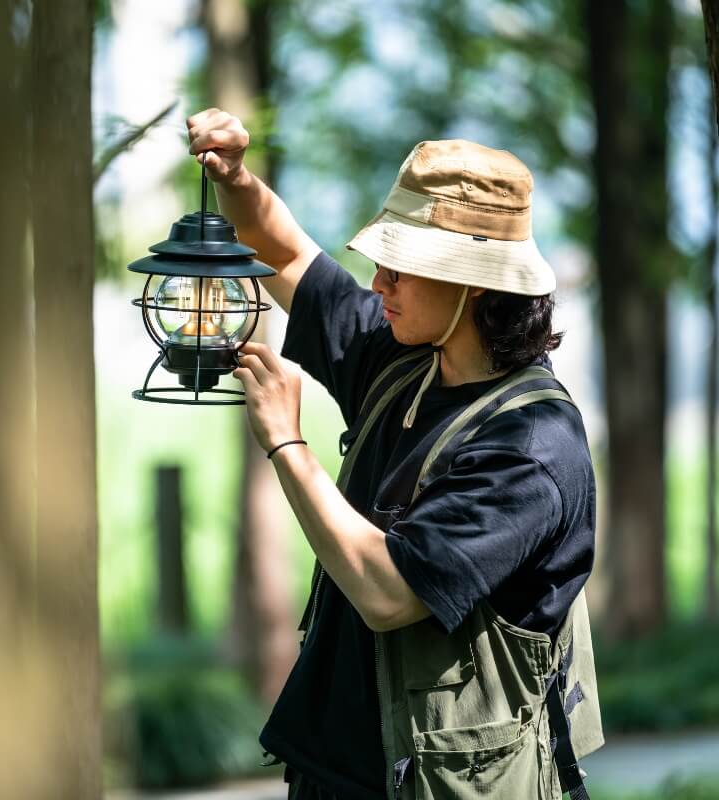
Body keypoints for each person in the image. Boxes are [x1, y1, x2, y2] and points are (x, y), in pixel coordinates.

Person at [186, 108, 604, 800]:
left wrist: (288, 443)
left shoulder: (531, 447)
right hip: (337, 771)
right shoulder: (402, 360)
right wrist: (234, 179)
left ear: (474, 283)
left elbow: (388, 592)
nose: (378, 283)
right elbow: (286, 255)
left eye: (401, 268)